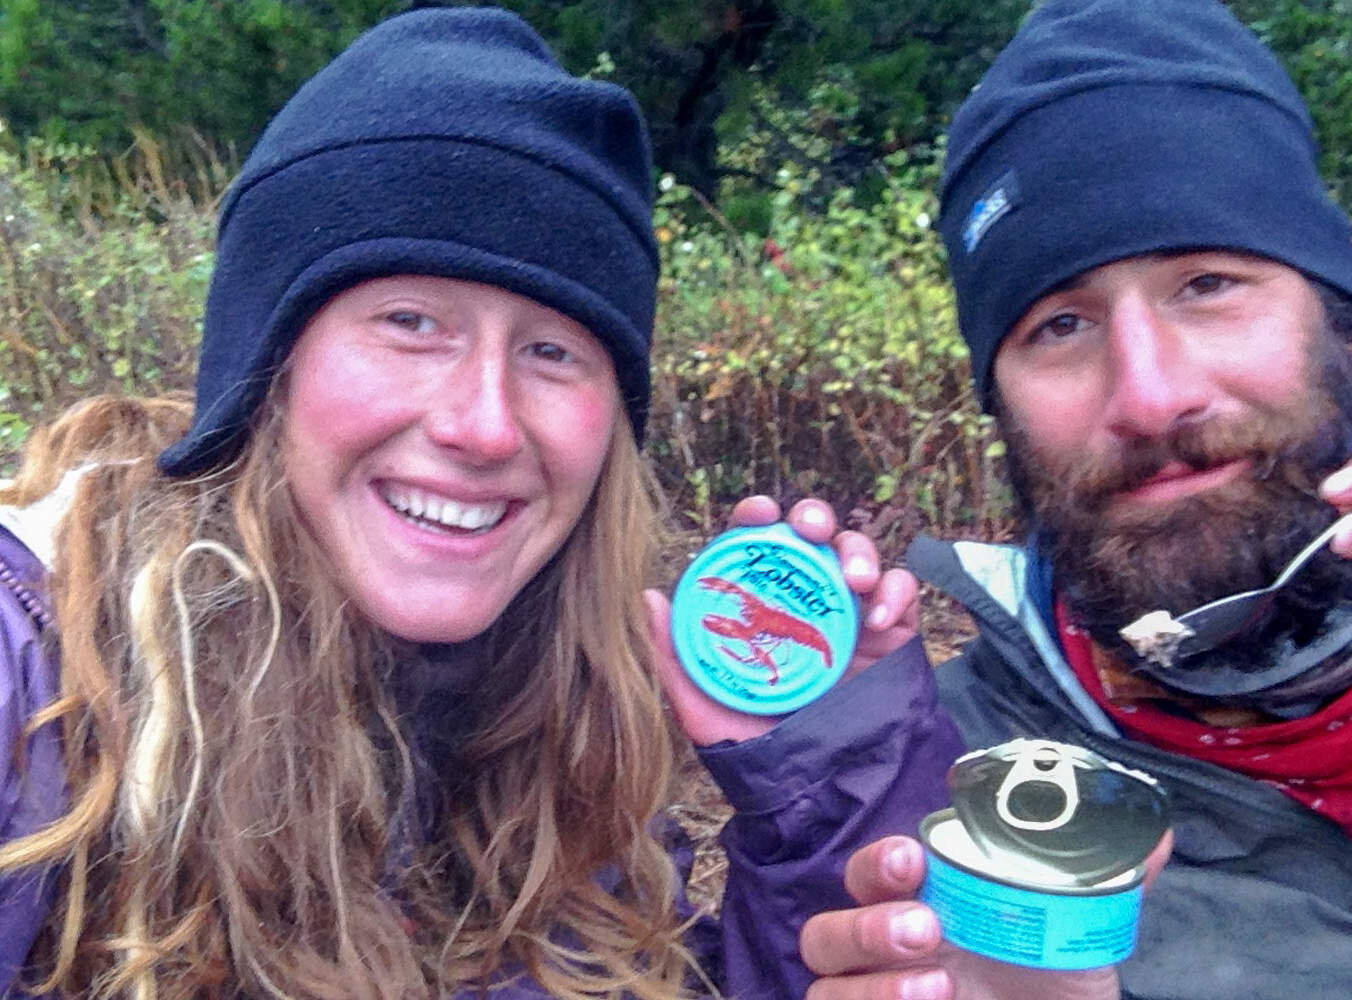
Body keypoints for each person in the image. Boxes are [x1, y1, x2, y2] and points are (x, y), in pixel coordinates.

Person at [0, 8, 955, 998]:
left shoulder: (567, 727)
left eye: (553, 352)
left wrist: (824, 787)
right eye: (410, 322)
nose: (486, 425)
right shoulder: (32, 678)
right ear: (262, 368)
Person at [796, 0, 1352, 997]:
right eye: (1060, 325)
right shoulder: (950, 816)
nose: (1150, 394)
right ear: (1001, 416)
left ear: (1350, 326)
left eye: (1207, 283)